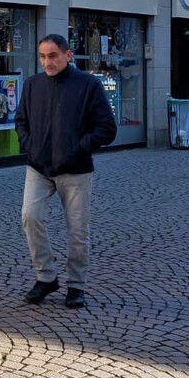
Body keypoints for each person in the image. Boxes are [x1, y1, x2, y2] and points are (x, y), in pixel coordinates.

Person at [14, 33, 117, 310]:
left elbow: (107, 128)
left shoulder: (88, 85)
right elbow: (21, 121)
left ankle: (76, 286)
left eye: (53, 56)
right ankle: (46, 277)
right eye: (43, 56)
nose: (47, 62)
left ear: (68, 55)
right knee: (30, 216)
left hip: (75, 170)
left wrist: (78, 148)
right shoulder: (32, 85)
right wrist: (30, 145)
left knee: (77, 230)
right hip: (38, 167)